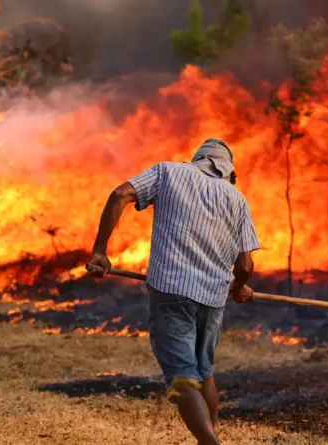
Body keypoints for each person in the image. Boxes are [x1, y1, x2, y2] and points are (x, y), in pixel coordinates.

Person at [85, 138, 261, 445]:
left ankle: (210, 442)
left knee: (182, 375)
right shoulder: (237, 199)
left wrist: (100, 251)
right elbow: (246, 264)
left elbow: (120, 194)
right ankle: (209, 437)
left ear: (197, 160)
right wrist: (237, 287)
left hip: (172, 291)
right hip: (212, 298)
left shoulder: (168, 173)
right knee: (204, 372)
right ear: (228, 171)